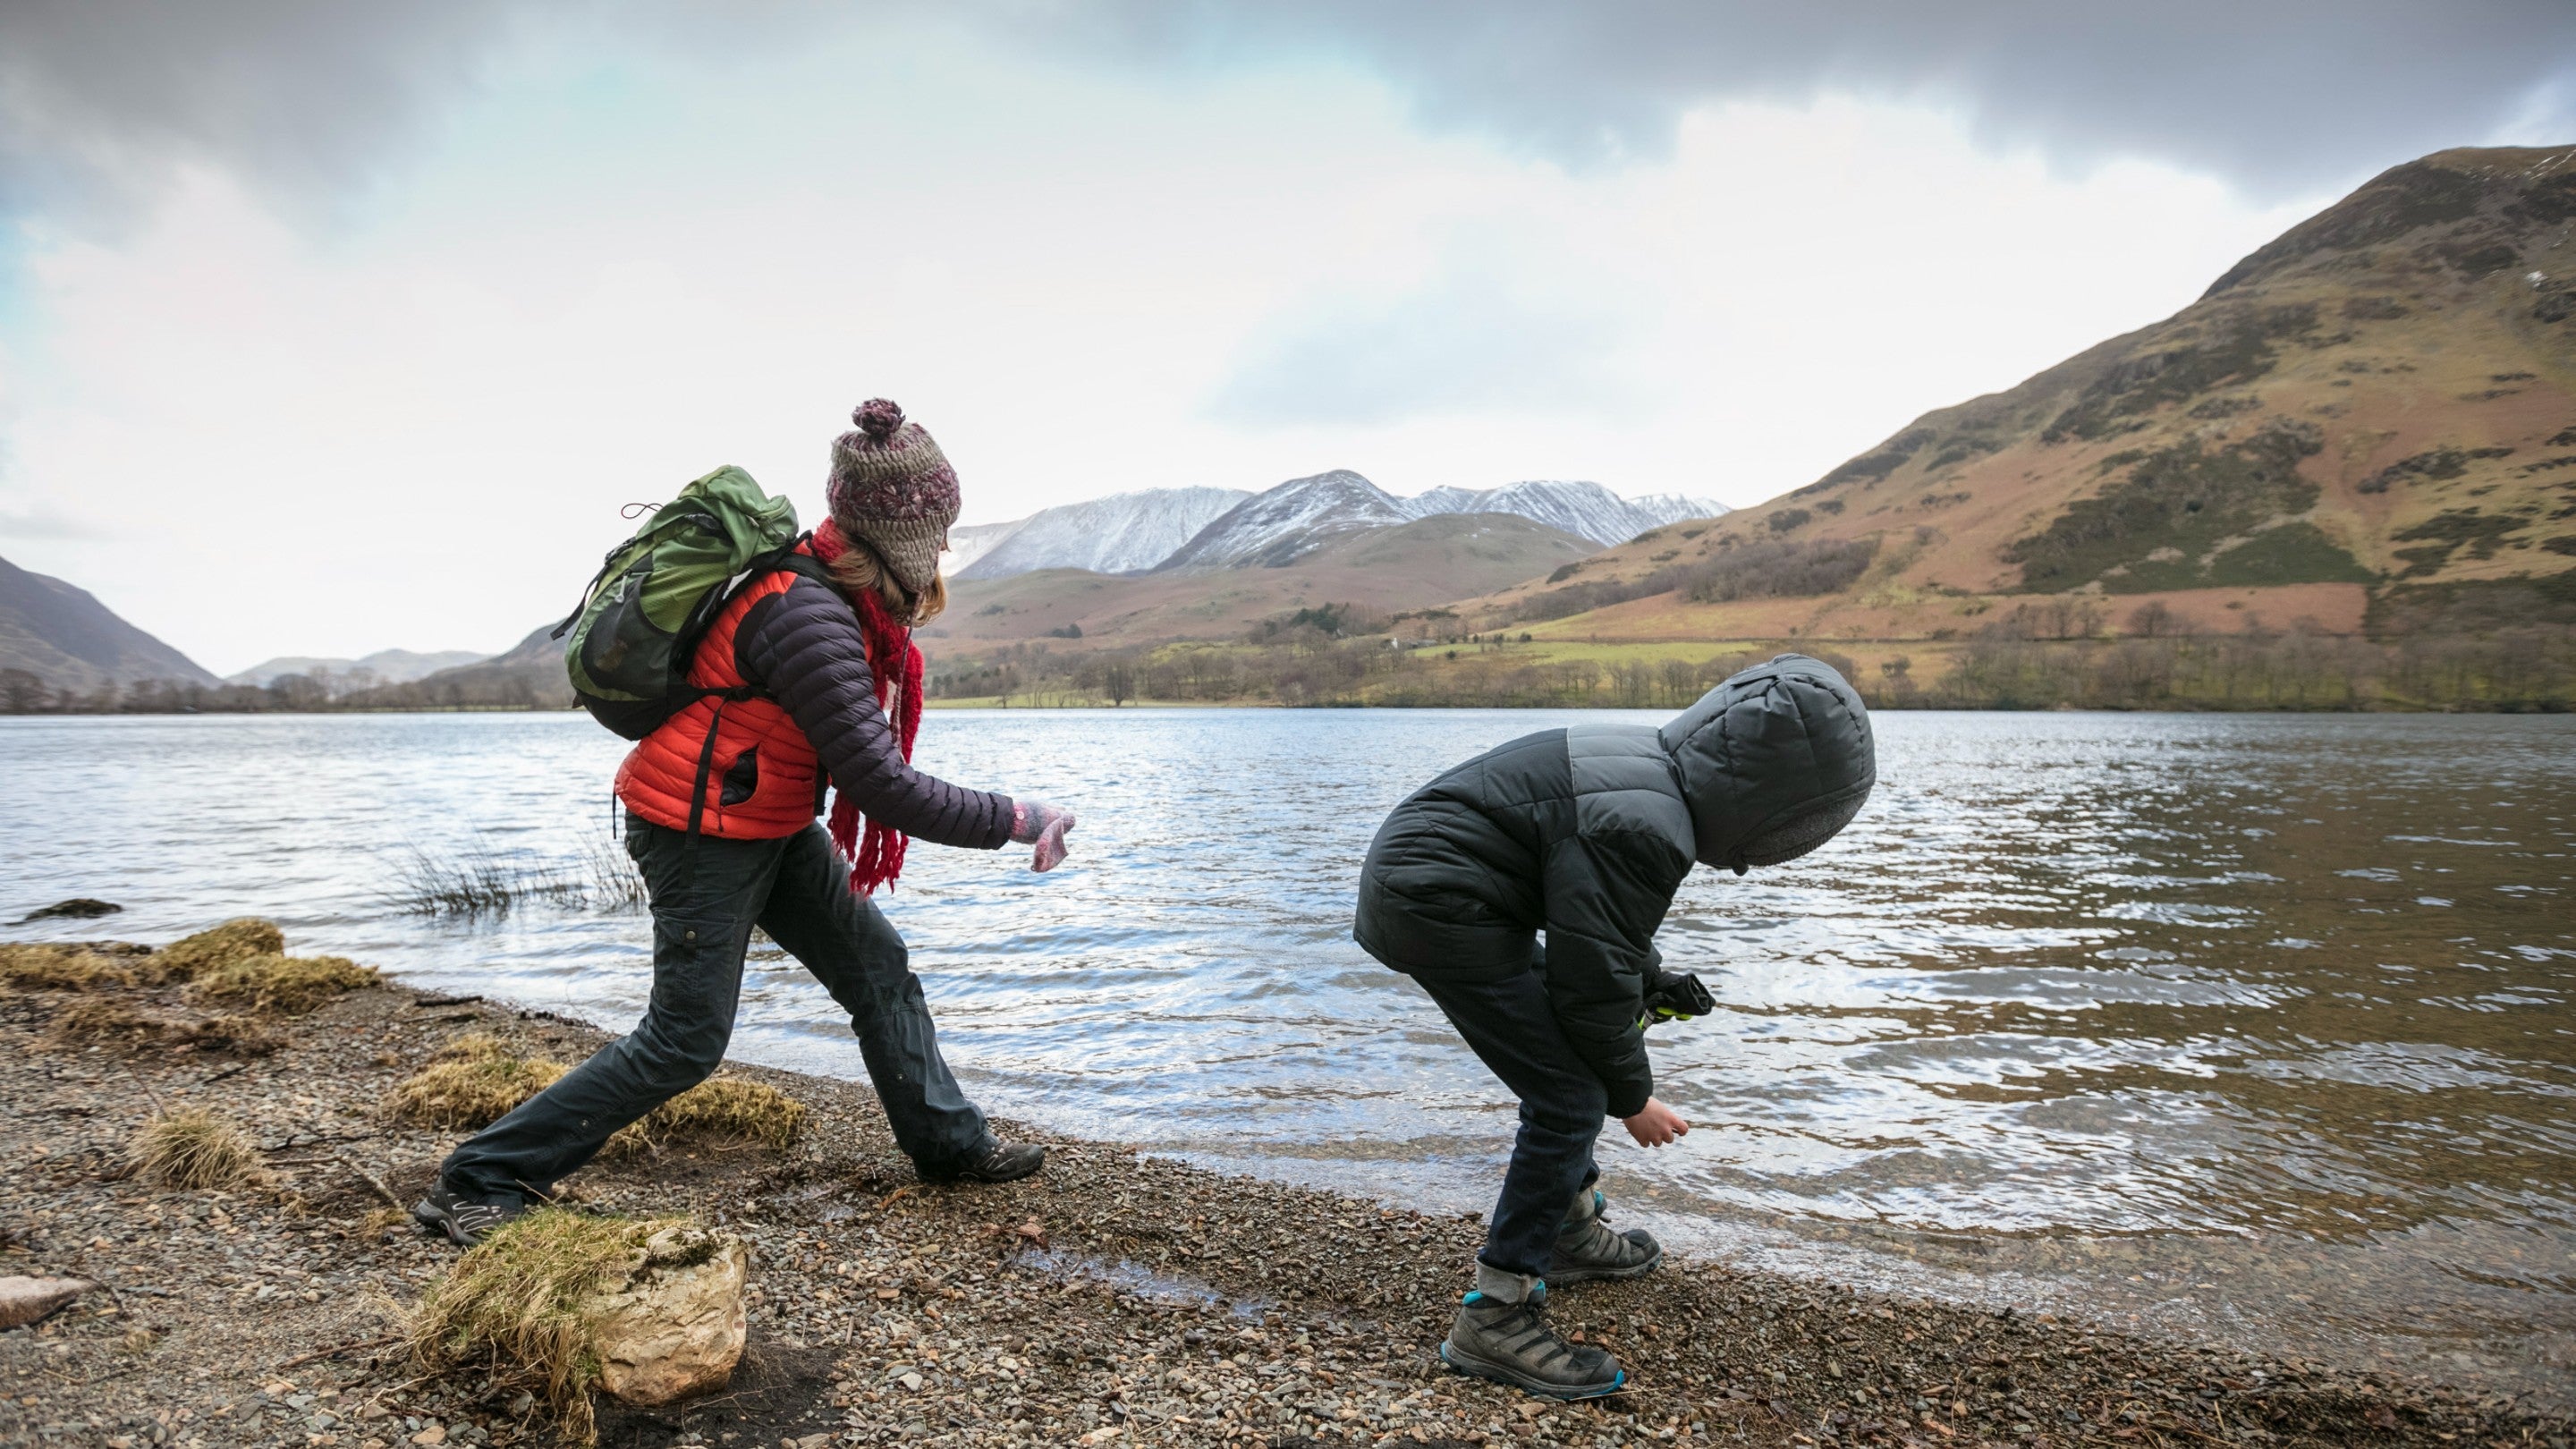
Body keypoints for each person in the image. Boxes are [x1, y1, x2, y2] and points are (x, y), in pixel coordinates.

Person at [413, 398, 1077, 1247]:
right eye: (938, 531)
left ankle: (949, 1145)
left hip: (766, 819)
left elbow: (852, 763)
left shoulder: (834, 595)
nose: (944, 548)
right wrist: (1019, 818)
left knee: (879, 969)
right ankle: (477, 1178)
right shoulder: (807, 618)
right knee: (684, 1043)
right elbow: (881, 783)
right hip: (697, 831)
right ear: (897, 535)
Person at [1352, 653, 1875, 1398]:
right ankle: (1495, 1317)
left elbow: (1600, 927)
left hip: (1439, 891)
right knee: (1569, 1097)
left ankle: (1566, 1229)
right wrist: (1633, 1100)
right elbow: (1591, 988)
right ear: (1771, 799)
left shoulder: (1646, 771)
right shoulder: (1648, 819)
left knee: (1568, 1072)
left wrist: (1653, 980)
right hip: (1437, 908)